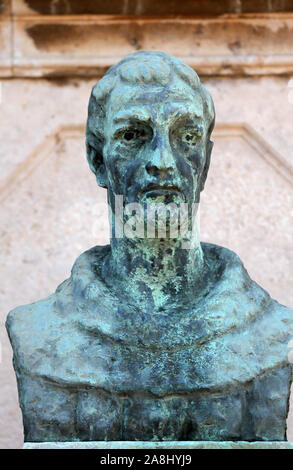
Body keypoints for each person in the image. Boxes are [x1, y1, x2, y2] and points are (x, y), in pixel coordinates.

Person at [6, 51, 293, 442]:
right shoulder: (40, 334)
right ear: (97, 161)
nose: (162, 161)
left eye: (187, 136)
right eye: (132, 135)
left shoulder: (271, 334)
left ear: (205, 162)